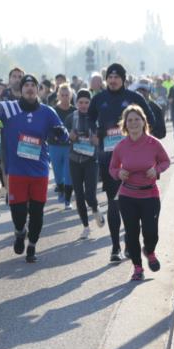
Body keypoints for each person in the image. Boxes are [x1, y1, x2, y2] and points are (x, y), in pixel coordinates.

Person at [0, 74, 68, 262]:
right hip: (17, 171)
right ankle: (19, 232)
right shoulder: (10, 108)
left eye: (33, 85)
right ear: (21, 90)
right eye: (26, 85)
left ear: (38, 90)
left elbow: (64, 134)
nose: (30, 88)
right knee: (18, 212)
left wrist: (60, 133)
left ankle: (32, 245)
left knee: (37, 212)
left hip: (39, 171)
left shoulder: (47, 112)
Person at [89, 63, 155, 263]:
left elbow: (150, 119)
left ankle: (129, 244)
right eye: (110, 77)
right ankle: (115, 247)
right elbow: (89, 118)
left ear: (123, 79)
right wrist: (94, 133)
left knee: (131, 203)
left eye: (116, 77)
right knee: (114, 202)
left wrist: (140, 137)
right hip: (109, 159)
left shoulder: (135, 98)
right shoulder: (99, 99)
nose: (113, 80)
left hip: (135, 161)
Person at [110, 106, 171, 281]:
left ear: (144, 122)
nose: (133, 123)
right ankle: (137, 267)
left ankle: (149, 251)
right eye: (129, 120)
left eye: (137, 119)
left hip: (149, 195)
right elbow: (112, 168)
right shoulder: (121, 146)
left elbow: (166, 161)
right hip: (127, 196)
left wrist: (156, 170)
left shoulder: (153, 143)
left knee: (151, 232)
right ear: (125, 125)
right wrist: (119, 173)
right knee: (131, 233)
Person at [68, 90, 104, 238]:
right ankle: (86, 227)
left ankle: (95, 209)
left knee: (90, 194)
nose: (83, 105)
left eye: (86, 103)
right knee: (79, 195)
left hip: (91, 160)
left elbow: (103, 138)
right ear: (76, 103)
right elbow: (63, 135)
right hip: (74, 160)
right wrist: (69, 137)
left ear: (91, 103)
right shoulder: (71, 117)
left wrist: (98, 141)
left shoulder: (97, 117)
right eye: (80, 102)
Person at [49, 83, 76, 209]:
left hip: (69, 146)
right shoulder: (53, 110)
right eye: (63, 95)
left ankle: (67, 200)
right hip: (54, 146)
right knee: (58, 173)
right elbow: (48, 126)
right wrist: (53, 135)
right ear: (58, 96)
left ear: (71, 96)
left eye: (67, 95)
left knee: (68, 173)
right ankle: (60, 189)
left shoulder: (74, 111)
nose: (65, 97)